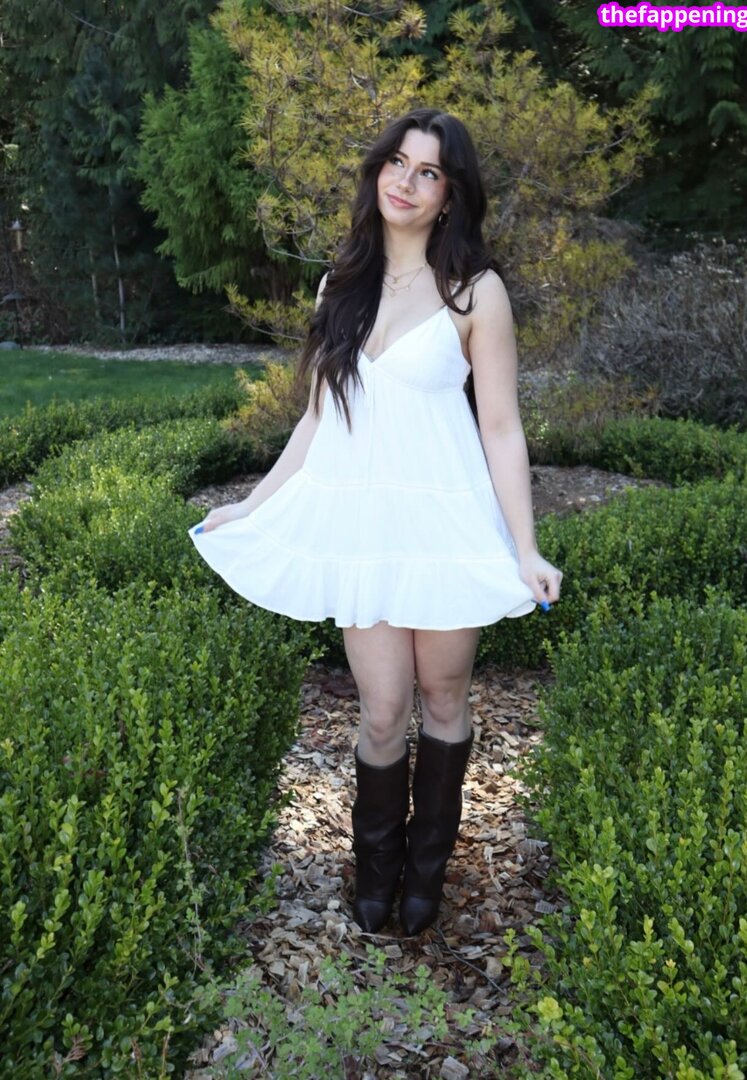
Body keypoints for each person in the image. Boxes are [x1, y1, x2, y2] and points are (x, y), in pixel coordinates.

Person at [189, 107, 563, 936]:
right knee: (385, 709)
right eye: (397, 162)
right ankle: (376, 868)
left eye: (429, 172)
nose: (407, 181)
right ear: (378, 171)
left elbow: (502, 427)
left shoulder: (476, 292)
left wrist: (525, 547)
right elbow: (318, 419)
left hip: (447, 526)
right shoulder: (341, 284)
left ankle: (427, 872)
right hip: (367, 531)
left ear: (450, 196)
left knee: (444, 696)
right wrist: (252, 504)